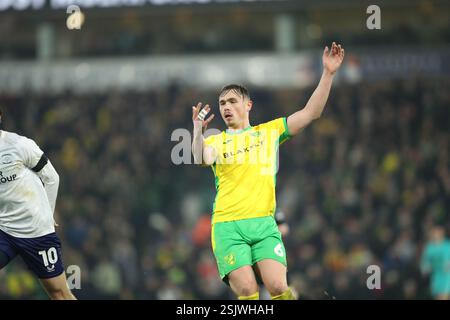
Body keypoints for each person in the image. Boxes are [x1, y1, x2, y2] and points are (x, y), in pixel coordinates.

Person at [191, 42, 345, 300]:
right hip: (228, 226)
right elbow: (199, 159)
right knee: (248, 291)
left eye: (232, 101)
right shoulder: (216, 141)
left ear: (248, 105)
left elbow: (311, 112)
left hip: (264, 223)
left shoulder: (269, 132)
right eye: (221, 104)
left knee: (277, 287)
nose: (226, 107)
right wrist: (197, 131)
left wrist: (328, 74)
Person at [0, 109, 76, 300]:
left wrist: (48, 216)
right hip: (4, 231)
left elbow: (52, 177)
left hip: (37, 231)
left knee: (59, 293)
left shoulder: (19, 145)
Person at [421, 225, 450, 300]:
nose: (436, 234)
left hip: (447, 276)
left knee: (444, 297)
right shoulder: (429, 247)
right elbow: (424, 263)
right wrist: (426, 268)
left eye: (438, 232)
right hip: (435, 277)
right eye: (434, 233)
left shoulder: (448, 245)